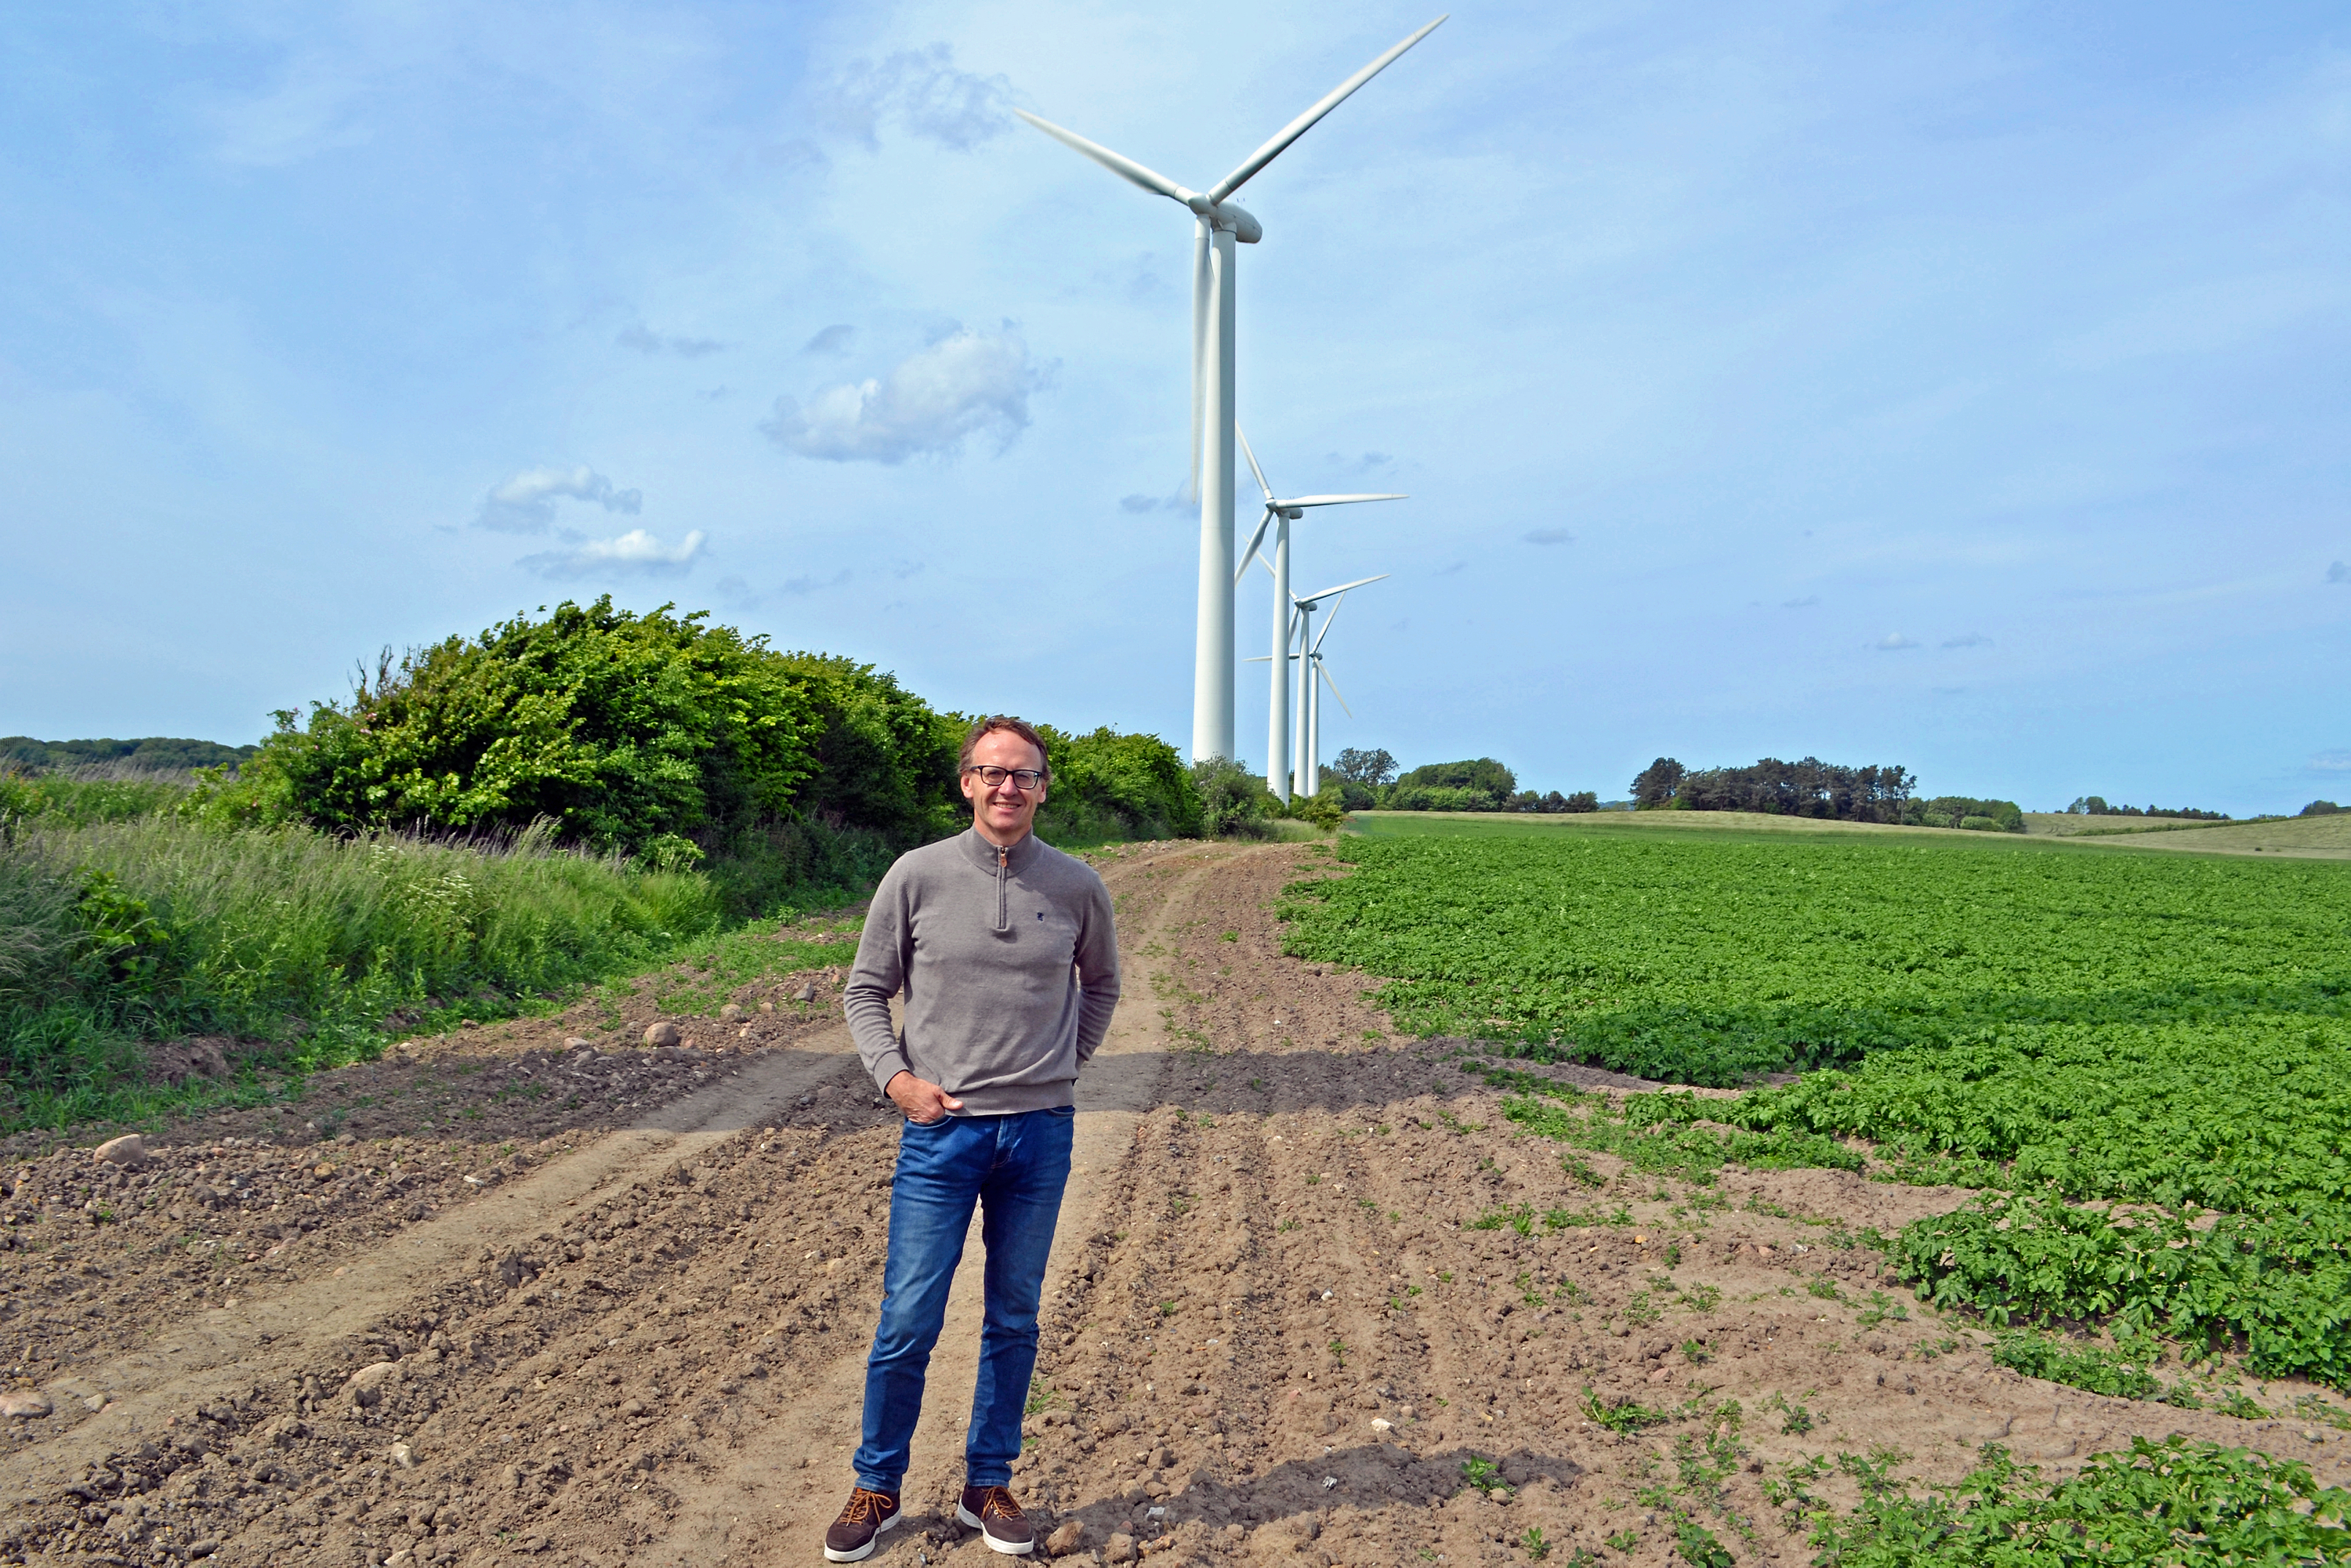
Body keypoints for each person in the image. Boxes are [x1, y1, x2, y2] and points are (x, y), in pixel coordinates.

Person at [825, 715, 1121, 1562]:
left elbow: (1101, 986)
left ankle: (986, 1485)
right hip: (941, 1133)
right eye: (991, 773)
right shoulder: (915, 876)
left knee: (1014, 1316)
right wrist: (898, 1081)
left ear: (1042, 788)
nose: (1007, 789)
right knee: (909, 1316)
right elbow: (864, 991)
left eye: (1023, 776)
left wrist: (1065, 1062)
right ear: (966, 782)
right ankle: (877, 1484)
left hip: (1039, 1134)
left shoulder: (1075, 886)